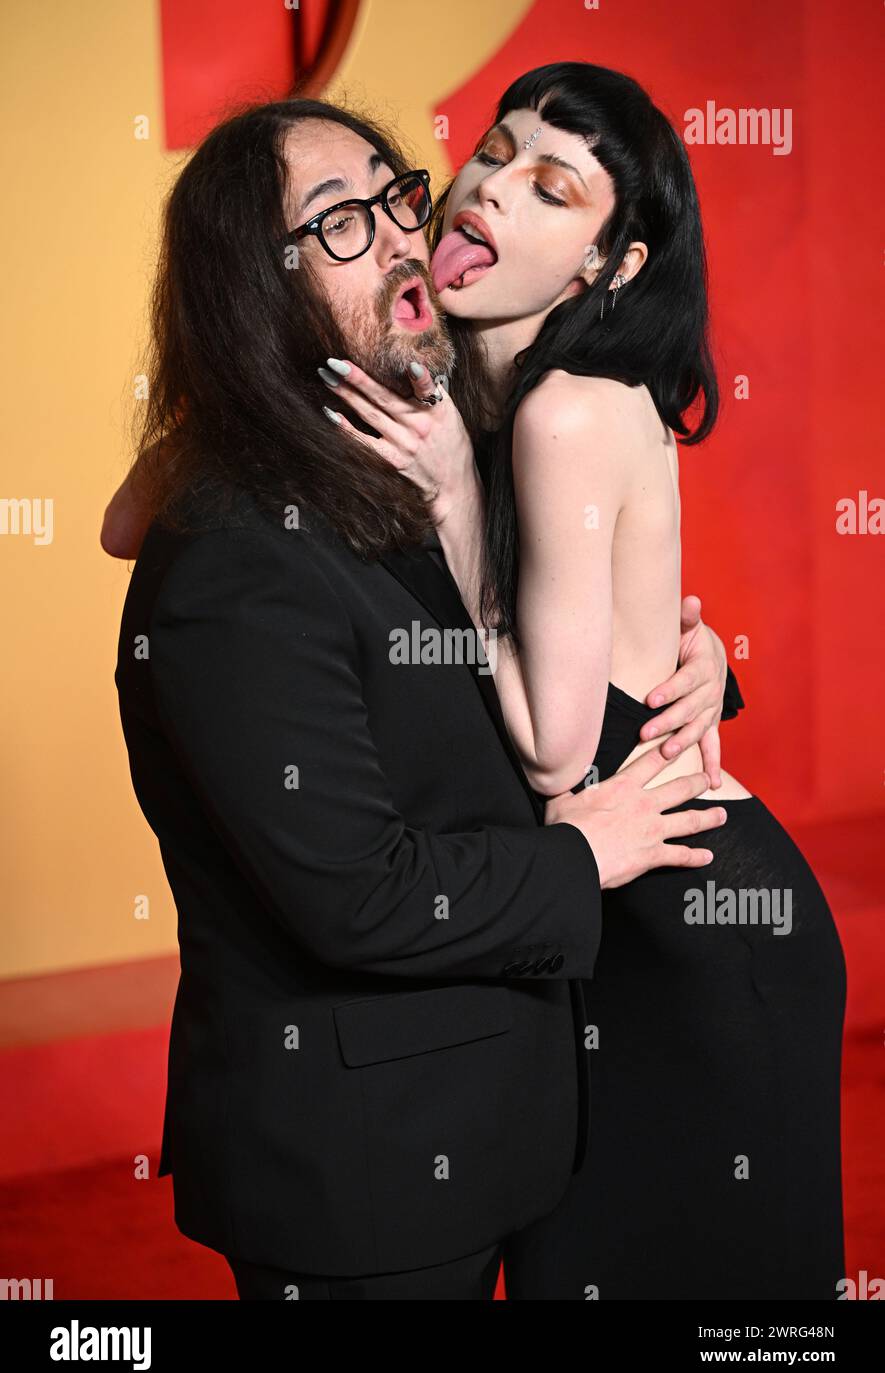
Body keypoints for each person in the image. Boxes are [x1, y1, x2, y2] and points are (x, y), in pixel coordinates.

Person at [106, 96, 736, 1300]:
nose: (406, 232)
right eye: (340, 220)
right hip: (364, 1175)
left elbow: (530, 648)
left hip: (510, 1125)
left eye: (397, 196)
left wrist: (704, 670)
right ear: (257, 283)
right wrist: (579, 858)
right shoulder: (236, 554)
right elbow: (356, 892)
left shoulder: (421, 446)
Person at [323, 63, 847, 1299]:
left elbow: (561, 751)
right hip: (591, 938)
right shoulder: (463, 377)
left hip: (696, 938)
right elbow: (132, 523)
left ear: (608, 267)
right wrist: (696, 656)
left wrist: (457, 501)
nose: (491, 190)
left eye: (551, 188)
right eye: (495, 153)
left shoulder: (562, 413)